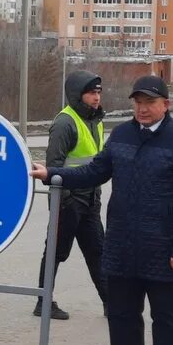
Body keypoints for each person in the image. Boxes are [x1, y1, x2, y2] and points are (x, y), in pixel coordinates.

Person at [31, 75, 173, 345]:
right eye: (138, 102)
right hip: (122, 244)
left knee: (166, 318)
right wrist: (53, 174)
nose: (142, 109)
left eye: (150, 102)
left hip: (164, 248)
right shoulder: (122, 135)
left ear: (165, 105)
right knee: (122, 315)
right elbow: (94, 171)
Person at [33, 70, 108, 321]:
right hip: (68, 201)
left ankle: (111, 304)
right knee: (55, 251)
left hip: (89, 199)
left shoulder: (94, 120)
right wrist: (62, 202)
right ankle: (43, 302)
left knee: (98, 252)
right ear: (77, 95)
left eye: (98, 92)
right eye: (91, 93)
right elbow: (53, 166)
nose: (96, 97)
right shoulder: (65, 123)